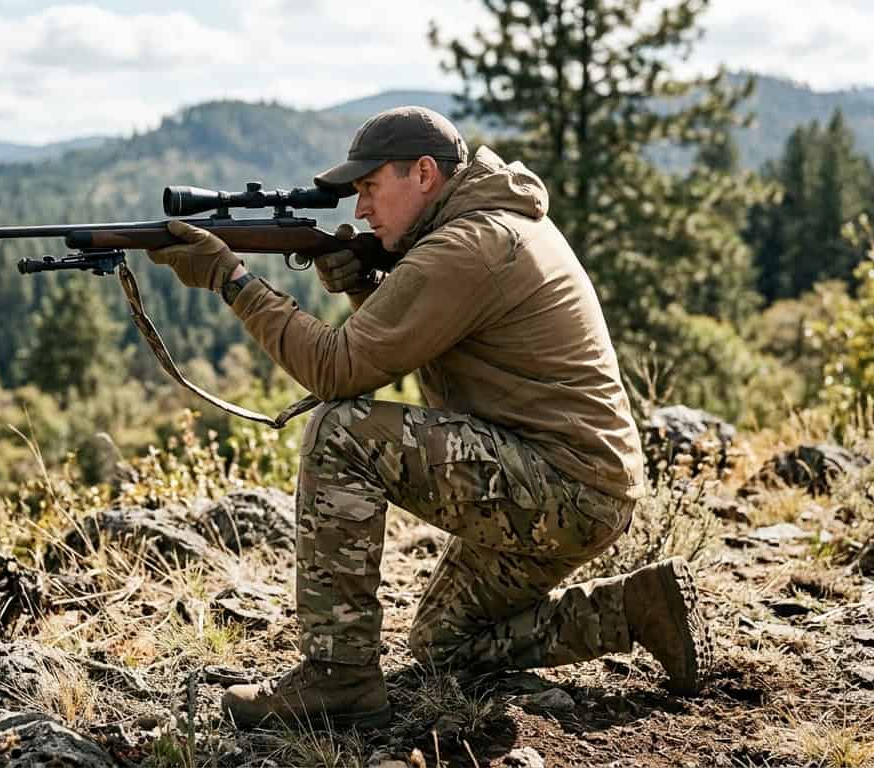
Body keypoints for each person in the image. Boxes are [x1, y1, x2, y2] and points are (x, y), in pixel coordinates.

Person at [146, 106, 709, 729]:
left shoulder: (468, 245)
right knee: (442, 645)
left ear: (422, 174)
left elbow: (338, 370)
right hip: (579, 486)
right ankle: (637, 610)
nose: (360, 210)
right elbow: (402, 353)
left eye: (369, 189)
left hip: (563, 488)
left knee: (342, 436)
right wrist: (367, 290)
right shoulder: (489, 224)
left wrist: (232, 280)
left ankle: (339, 681)